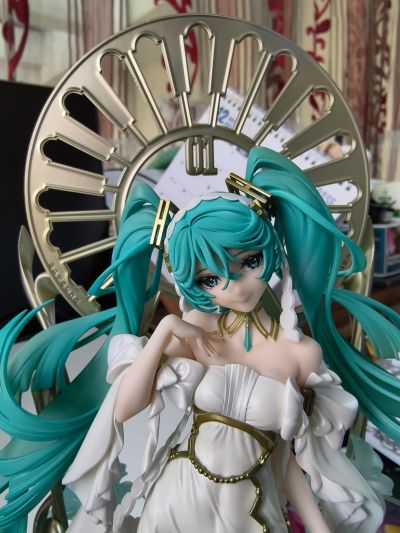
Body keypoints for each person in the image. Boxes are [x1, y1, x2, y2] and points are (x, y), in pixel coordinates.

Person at [0, 147, 398, 532]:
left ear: (270, 250)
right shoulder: (198, 330)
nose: (236, 287)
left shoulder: (301, 354)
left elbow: (284, 460)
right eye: (211, 279)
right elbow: (123, 409)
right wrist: (164, 332)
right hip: (177, 501)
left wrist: (319, 526)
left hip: (253, 507)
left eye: (250, 262)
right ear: (194, 285)